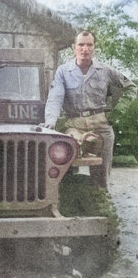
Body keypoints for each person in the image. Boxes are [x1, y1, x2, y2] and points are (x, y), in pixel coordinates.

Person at [44, 30, 137, 189]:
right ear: (74, 47)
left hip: (100, 123)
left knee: (101, 173)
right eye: (81, 44)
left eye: (89, 45)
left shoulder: (105, 70)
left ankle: (102, 200)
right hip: (74, 124)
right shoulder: (64, 71)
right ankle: (71, 203)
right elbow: (55, 97)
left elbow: (131, 88)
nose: (84, 49)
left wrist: (116, 113)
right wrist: (50, 121)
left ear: (94, 48)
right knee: (65, 162)